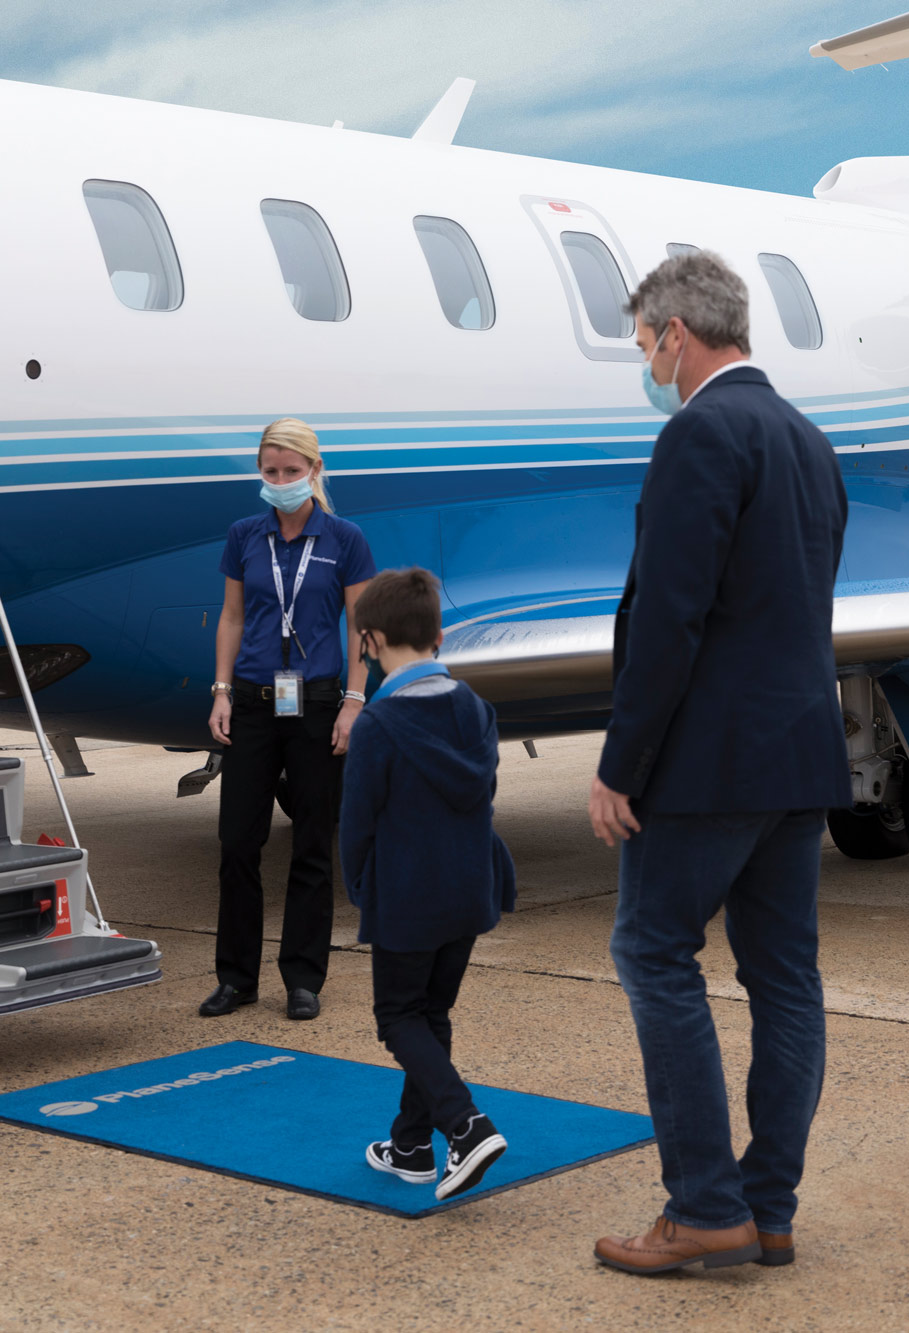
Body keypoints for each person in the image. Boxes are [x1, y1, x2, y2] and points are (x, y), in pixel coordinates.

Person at [586, 251, 850, 1274]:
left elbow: (669, 617)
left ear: (675, 335)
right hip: (799, 751)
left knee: (653, 954)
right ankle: (766, 1207)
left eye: (645, 343)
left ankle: (703, 1205)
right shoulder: (804, 437)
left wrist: (621, 762)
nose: (647, 361)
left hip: (707, 761)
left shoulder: (699, 431)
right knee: (784, 978)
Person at [339, 567, 517, 1201]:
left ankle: (465, 1126)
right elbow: (483, 796)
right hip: (470, 888)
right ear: (439, 636)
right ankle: (411, 1145)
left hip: (408, 896)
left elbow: (356, 823)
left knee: (397, 1016)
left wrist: (362, 888)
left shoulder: (380, 727)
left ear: (371, 640)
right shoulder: (478, 710)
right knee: (430, 1012)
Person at [202, 418, 376, 1022]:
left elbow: (361, 626)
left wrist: (355, 701)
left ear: (314, 471)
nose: (280, 482)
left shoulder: (345, 538)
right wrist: (221, 691)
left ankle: (303, 977)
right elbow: (230, 617)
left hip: (320, 705)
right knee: (237, 843)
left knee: (310, 846)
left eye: (291, 472)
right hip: (252, 702)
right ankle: (236, 978)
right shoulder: (244, 535)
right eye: (270, 472)